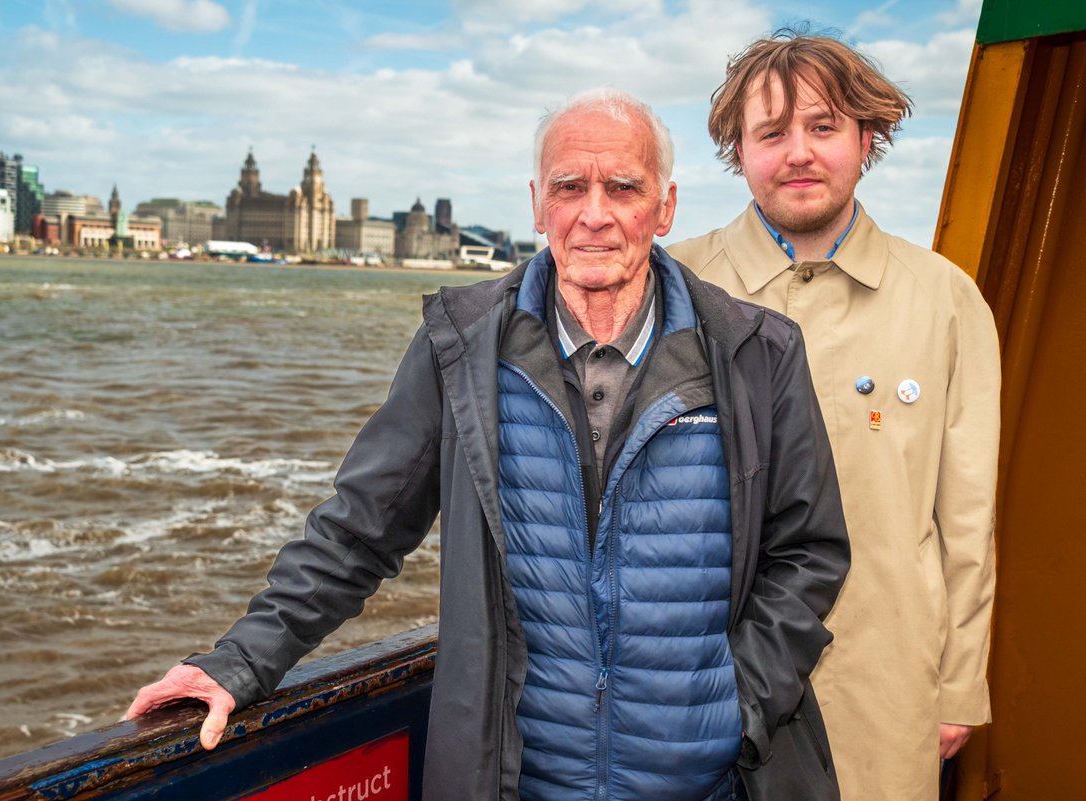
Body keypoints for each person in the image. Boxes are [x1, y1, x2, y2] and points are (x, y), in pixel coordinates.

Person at [128, 88, 850, 801]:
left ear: (664, 206)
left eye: (622, 187)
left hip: (709, 784)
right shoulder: (462, 348)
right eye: (570, 187)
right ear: (539, 204)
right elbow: (359, 528)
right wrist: (239, 661)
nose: (594, 213)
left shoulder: (757, 351)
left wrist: (737, 709)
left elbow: (810, 550)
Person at [666, 32, 1000, 801]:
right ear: (737, 152)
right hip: (704, 683)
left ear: (867, 139)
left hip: (884, 686)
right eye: (771, 133)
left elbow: (967, 517)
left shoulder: (946, 301)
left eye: (823, 127)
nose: (799, 154)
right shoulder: (674, 288)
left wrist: (958, 682)